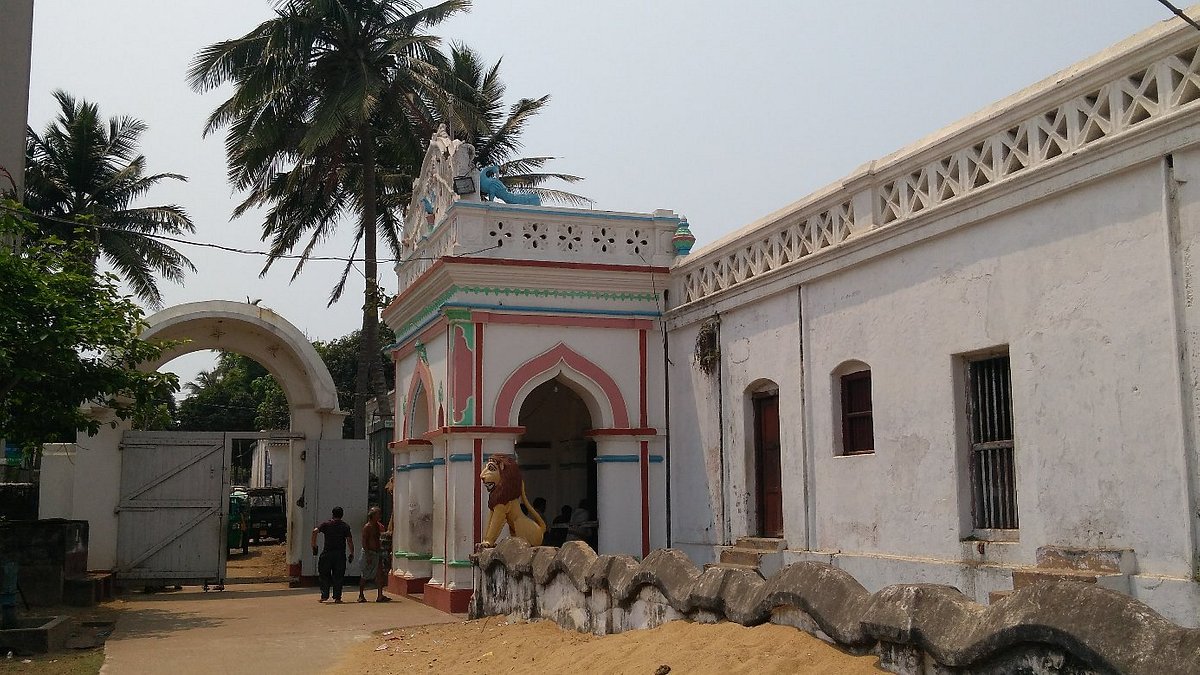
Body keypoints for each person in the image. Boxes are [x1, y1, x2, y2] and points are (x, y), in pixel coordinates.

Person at [311, 506, 353, 603]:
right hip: (339, 554)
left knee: (324, 575)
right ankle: (337, 597)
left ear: (332, 514)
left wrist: (314, 545)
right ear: (342, 515)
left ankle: (324, 595)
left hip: (327, 553)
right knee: (338, 576)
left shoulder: (326, 524)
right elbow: (349, 541)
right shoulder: (345, 526)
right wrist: (352, 553)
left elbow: (314, 531)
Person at [358, 506, 390, 603]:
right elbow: (364, 541)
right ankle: (361, 594)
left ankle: (380, 595)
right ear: (372, 516)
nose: (379, 516)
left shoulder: (379, 526)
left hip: (377, 553)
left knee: (379, 574)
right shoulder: (367, 527)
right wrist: (367, 555)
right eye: (378, 514)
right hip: (369, 553)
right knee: (365, 574)